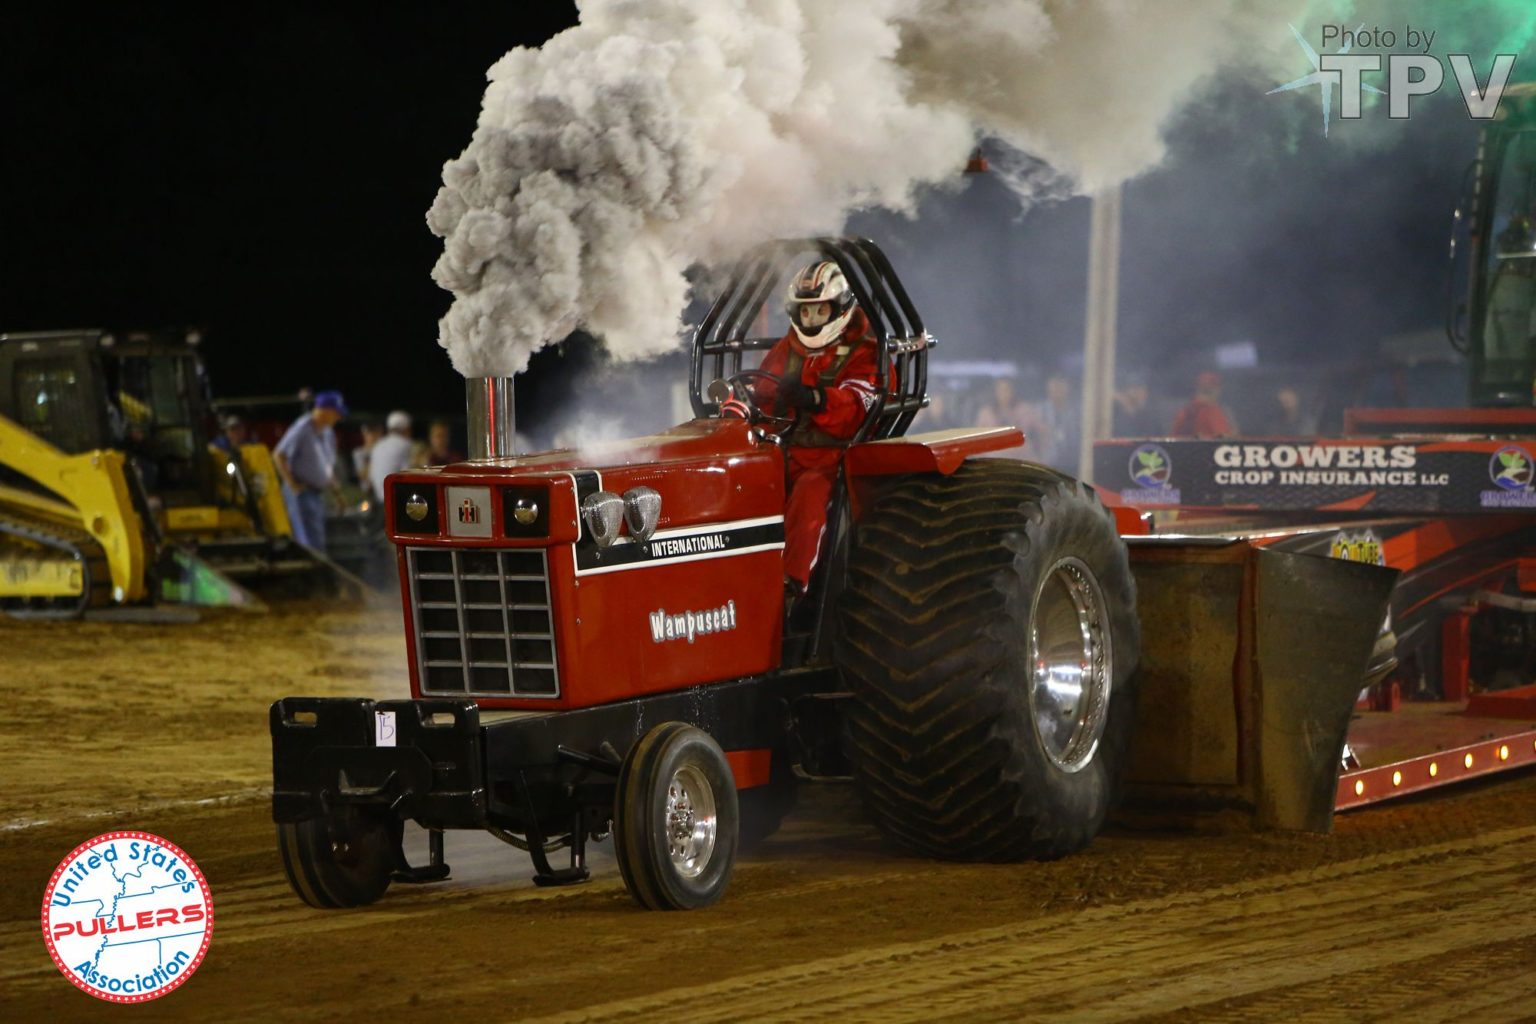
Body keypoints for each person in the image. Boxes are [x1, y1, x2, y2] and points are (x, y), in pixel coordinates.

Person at [734, 260, 885, 598]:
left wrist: (815, 398)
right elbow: (764, 393)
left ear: (841, 308)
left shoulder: (866, 352)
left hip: (834, 457)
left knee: (809, 494)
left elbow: (858, 406)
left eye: (820, 311)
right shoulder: (787, 349)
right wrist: (746, 403)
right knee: (742, 484)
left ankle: (791, 587)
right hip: (783, 450)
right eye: (805, 312)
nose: (812, 320)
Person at [273, 391, 347, 551]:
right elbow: (279, 455)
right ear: (325, 410)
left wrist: (338, 495)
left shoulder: (327, 432)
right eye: (336, 413)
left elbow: (326, 469)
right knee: (308, 544)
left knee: (316, 542)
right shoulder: (303, 427)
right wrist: (292, 485)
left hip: (316, 494)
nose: (338, 417)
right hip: (301, 492)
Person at [1171, 371, 1235, 439]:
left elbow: (1230, 437)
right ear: (1197, 389)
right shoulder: (1187, 411)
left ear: (1219, 390)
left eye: (1212, 387)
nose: (1207, 388)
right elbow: (1176, 437)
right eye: (1204, 388)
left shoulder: (1224, 411)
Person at [368, 410, 415, 501]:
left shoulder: (377, 445)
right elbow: (410, 474)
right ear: (407, 429)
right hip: (397, 502)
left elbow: (371, 477)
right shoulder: (407, 445)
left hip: (379, 501)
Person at [351, 420, 384, 488]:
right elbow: (362, 475)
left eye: (377, 433)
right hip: (368, 488)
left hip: (382, 486)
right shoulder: (358, 452)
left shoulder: (384, 450)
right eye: (370, 433)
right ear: (364, 434)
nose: (374, 436)